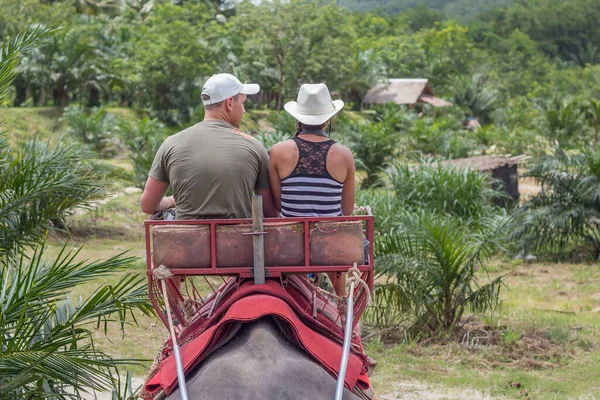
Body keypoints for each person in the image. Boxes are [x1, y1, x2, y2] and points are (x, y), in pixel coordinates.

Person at [140, 73, 278, 219]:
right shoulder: (254, 146)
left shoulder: (171, 144)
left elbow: (147, 205)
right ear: (229, 103)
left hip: (185, 240)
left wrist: (169, 201)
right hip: (239, 241)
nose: (244, 110)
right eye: (242, 103)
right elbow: (270, 213)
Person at [268, 83, 356, 296]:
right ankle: (341, 301)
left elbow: (279, 203)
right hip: (329, 246)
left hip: (290, 245)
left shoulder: (278, 151)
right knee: (336, 237)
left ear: (298, 118)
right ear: (327, 119)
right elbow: (347, 210)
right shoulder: (344, 155)